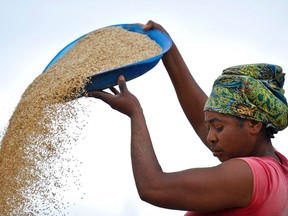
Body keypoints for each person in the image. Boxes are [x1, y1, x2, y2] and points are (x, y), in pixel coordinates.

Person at [86, 21, 288, 215]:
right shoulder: (280, 169)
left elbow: (153, 187)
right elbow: (202, 120)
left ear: (253, 124)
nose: (210, 137)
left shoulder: (249, 175)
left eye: (218, 128)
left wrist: (135, 113)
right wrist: (167, 48)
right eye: (210, 127)